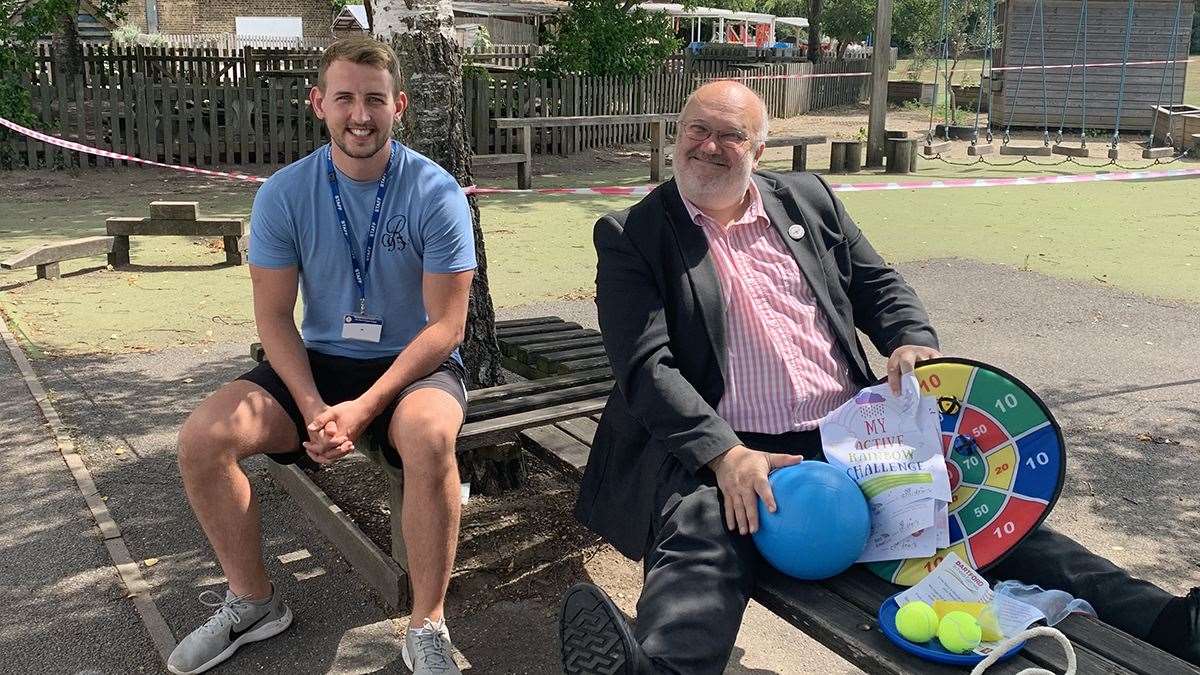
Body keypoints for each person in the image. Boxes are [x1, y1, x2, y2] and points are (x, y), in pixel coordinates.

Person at [558, 80, 1200, 673]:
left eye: (730, 135)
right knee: (705, 540)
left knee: (977, 523)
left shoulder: (806, 199)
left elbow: (878, 286)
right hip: (732, 445)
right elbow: (647, 368)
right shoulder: (632, 234)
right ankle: (656, 668)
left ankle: (1173, 623)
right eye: (697, 129)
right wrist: (725, 455)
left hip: (852, 439)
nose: (709, 146)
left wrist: (912, 342)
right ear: (676, 134)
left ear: (759, 147)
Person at [169, 36, 474, 675]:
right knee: (202, 439)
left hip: (413, 367)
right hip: (318, 362)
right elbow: (275, 317)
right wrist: (312, 404)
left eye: (374, 100)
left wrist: (364, 406)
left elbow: (446, 327)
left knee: (429, 437)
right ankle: (252, 603)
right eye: (344, 98)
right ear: (318, 104)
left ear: (400, 107)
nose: (359, 115)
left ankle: (428, 625)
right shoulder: (283, 193)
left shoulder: (435, 191)